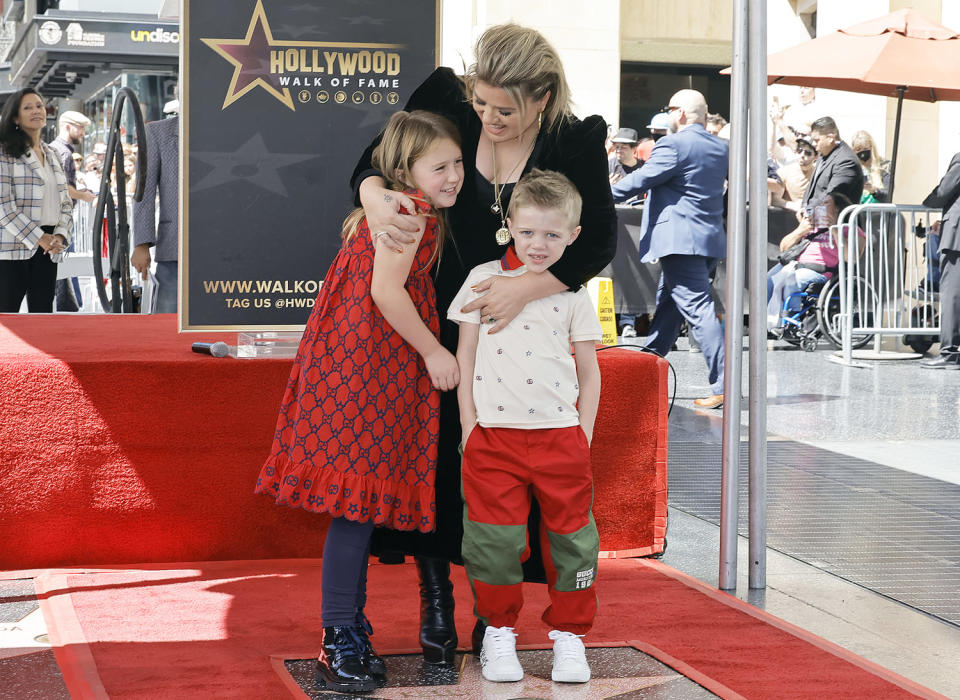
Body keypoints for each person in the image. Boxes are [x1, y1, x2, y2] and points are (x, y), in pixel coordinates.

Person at [351, 22, 616, 666]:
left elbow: (600, 241)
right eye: (481, 104)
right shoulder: (447, 102)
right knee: (440, 461)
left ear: (543, 99)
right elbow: (374, 162)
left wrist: (522, 290)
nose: (488, 119)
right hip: (437, 320)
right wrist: (375, 197)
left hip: (526, 331)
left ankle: (493, 614)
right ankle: (436, 597)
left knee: (504, 490)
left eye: (506, 110)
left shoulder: (574, 142)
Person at [255, 110, 464, 692]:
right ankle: (337, 633)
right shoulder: (409, 215)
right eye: (440, 166)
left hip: (360, 365)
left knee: (359, 510)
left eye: (458, 163)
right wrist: (433, 352)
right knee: (355, 512)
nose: (454, 176)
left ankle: (347, 626)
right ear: (405, 171)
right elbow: (385, 292)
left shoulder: (401, 205)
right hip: (367, 372)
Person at [449, 170, 601, 684]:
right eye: (529, 232)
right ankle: (498, 634)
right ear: (509, 225)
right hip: (493, 437)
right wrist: (469, 425)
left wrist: (585, 432)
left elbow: (589, 368)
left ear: (573, 235)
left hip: (562, 437)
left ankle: (571, 639)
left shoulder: (574, 295)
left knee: (573, 543)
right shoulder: (481, 279)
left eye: (553, 235)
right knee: (493, 542)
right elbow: (465, 355)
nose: (539, 245)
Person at [610, 89, 728, 409]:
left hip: (681, 240)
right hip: (708, 240)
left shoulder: (674, 144)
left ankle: (723, 384)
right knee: (669, 304)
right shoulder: (721, 147)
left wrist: (599, 195)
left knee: (698, 310)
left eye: (669, 109)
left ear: (679, 114)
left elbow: (640, 180)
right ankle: (648, 367)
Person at [0, 88, 73, 313]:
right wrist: (40, 237)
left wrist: (60, 235)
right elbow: (4, 207)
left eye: (39, 106)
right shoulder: (4, 153)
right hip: (13, 248)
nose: (36, 111)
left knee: (43, 319)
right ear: (15, 117)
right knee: (7, 320)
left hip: (48, 250)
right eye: (28, 108)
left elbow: (65, 202)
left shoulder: (52, 153)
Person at [766, 191, 855, 332]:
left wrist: (833, 227)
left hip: (821, 270)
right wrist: (801, 229)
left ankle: (789, 323)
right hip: (795, 265)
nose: (820, 206)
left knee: (792, 280)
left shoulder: (847, 228)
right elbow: (783, 248)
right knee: (766, 281)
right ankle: (767, 322)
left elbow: (851, 257)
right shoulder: (812, 227)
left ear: (836, 208)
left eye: (825, 203)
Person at [49, 110, 96, 312]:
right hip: (60, 219)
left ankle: (69, 304)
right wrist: (84, 196)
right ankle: (71, 306)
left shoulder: (55, 148)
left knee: (62, 265)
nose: (84, 132)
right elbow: (63, 189)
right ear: (67, 126)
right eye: (81, 128)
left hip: (55, 217)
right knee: (65, 264)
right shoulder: (64, 152)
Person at [132, 115, 180, 312]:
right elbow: (144, 191)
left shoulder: (228, 128)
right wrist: (141, 243)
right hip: (174, 246)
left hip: (226, 251)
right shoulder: (158, 132)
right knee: (166, 323)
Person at [920, 150, 960, 369]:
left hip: (957, 236)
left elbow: (945, 189)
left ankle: (950, 351)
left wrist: (929, 203)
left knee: (951, 294)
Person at [801, 116, 864, 216]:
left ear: (830, 138)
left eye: (817, 140)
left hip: (837, 226)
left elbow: (831, 196)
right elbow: (811, 188)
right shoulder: (824, 154)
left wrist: (808, 211)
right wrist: (804, 207)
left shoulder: (846, 161)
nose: (813, 144)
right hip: (815, 221)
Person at [773, 136, 816, 211]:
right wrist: (793, 205)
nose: (802, 155)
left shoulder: (819, 174)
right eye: (800, 150)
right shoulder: (784, 172)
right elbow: (775, 200)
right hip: (788, 218)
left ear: (816, 156)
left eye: (808, 153)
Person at [850, 130, 890, 203]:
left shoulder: (884, 166)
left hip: (880, 212)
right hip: (860, 212)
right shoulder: (852, 168)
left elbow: (889, 194)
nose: (862, 152)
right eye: (858, 149)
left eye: (865, 149)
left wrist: (874, 190)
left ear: (871, 147)